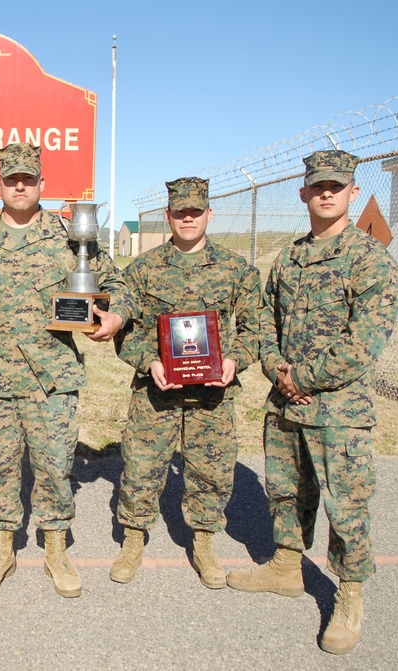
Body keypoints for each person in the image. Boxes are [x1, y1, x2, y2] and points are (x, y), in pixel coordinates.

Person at [225, 150, 398, 655]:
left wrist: (300, 376)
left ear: (351, 192)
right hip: (285, 403)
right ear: (304, 193)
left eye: (336, 186)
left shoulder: (371, 260)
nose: (326, 193)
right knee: (285, 491)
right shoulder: (289, 258)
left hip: (339, 411)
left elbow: (364, 343)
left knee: (347, 506)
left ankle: (350, 594)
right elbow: (265, 322)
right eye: (317, 186)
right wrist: (275, 367)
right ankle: (286, 566)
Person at [0, 142, 134, 598]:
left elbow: (117, 286)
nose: (20, 186)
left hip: (52, 379)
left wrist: (114, 317)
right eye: (12, 180)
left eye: (28, 179)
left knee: (54, 467)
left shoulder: (73, 238)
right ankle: (1, 548)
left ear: (41, 184)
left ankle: (55, 548)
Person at [112, 177, 260, 588]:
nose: (188, 218)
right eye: (181, 212)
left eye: (196, 211)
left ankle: (204, 542)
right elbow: (129, 332)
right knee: (141, 466)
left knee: (210, 470)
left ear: (209, 215)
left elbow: (255, 327)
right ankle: (133, 539)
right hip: (156, 392)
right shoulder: (143, 270)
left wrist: (235, 360)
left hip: (212, 396)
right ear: (169, 216)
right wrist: (148, 362)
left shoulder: (236, 270)